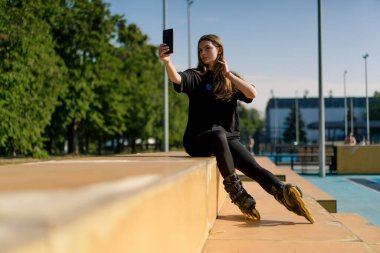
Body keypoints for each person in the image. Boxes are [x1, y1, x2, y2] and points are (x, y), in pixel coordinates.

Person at [159, 34, 314, 223]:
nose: (203, 53)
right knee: (217, 134)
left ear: (219, 50)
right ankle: (238, 194)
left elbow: (252, 93)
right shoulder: (195, 75)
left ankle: (283, 193)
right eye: (200, 50)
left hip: (226, 139)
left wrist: (229, 75)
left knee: (254, 168)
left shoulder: (230, 79)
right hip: (197, 139)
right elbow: (177, 78)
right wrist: (167, 62)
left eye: (207, 48)